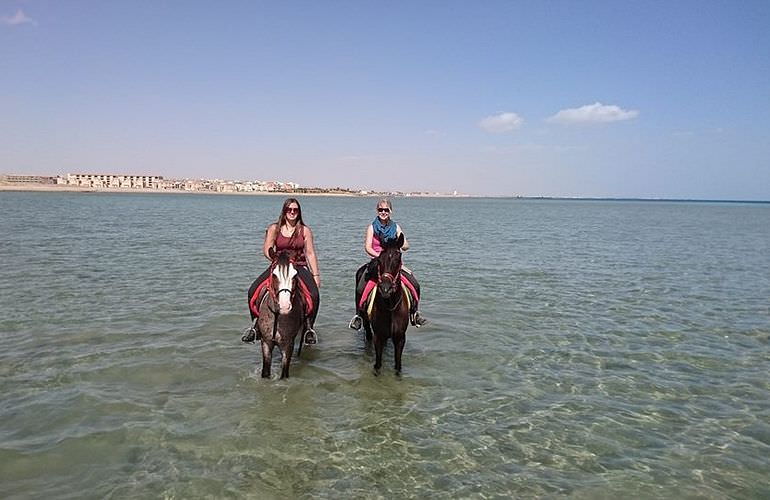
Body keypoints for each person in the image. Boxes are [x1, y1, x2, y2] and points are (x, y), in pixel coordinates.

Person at [243, 198, 321, 344]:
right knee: (252, 290)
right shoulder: (274, 228)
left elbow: (310, 253)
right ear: (284, 211)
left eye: (295, 210)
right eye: (289, 210)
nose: (292, 212)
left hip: (298, 266)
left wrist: (316, 275)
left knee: (315, 295)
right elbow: (267, 249)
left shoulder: (305, 230)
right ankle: (255, 326)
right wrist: (275, 259)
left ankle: (309, 329)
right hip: (278, 265)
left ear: (299, 212)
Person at [349, 198, 426, 330]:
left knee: (414, 282)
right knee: (361, 286)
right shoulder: (372, 227)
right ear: (377, 210)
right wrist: (381, 257)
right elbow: (367, 247)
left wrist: (403, 246)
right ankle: (359, 316)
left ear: (390, 211)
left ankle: (414, 313)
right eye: (381, 209)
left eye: (386, 210)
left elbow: (405, 244)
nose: (383, 212)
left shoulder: (396, 227)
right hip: (377, 260)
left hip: (393, 263)